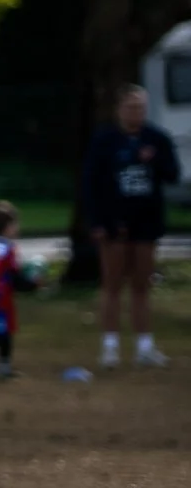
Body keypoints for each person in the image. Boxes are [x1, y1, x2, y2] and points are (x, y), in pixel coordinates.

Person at [83, 84, 182, 369]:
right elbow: (91, 183)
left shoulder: (156, 139)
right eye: (130, 107)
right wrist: (98, 221)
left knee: (142, 284)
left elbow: (172, 174)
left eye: (140, 107)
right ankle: (110, 346)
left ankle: (144, 346)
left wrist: (156, 160)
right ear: (119, 110)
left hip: (146, 221)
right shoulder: (105, 141)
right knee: (112, 284)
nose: (135, 113)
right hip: (114, 222)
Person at [0, 200, 44, 380]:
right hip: (0, 299)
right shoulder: (7, 249)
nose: (17, 228)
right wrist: (32, 284)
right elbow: (13, 276)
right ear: (6, 227)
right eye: (15, 224)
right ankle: (4, 367)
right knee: (4, 334)